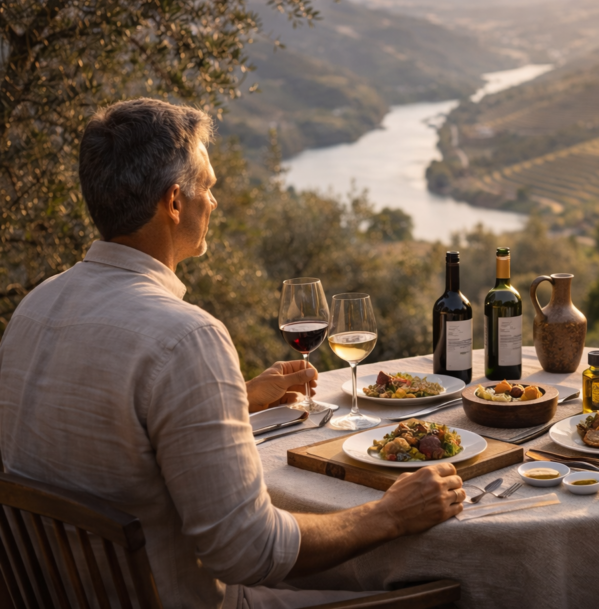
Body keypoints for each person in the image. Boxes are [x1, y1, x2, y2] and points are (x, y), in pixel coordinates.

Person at [0, 99, 467, 609]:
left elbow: (101, 436)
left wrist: (235, 399)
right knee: (449, 592)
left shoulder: (34, 307)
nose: (215, 203)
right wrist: (391, 515)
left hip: (59, 594)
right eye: (210, 187)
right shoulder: (184, 336)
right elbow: (249, 552)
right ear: (175, 202)